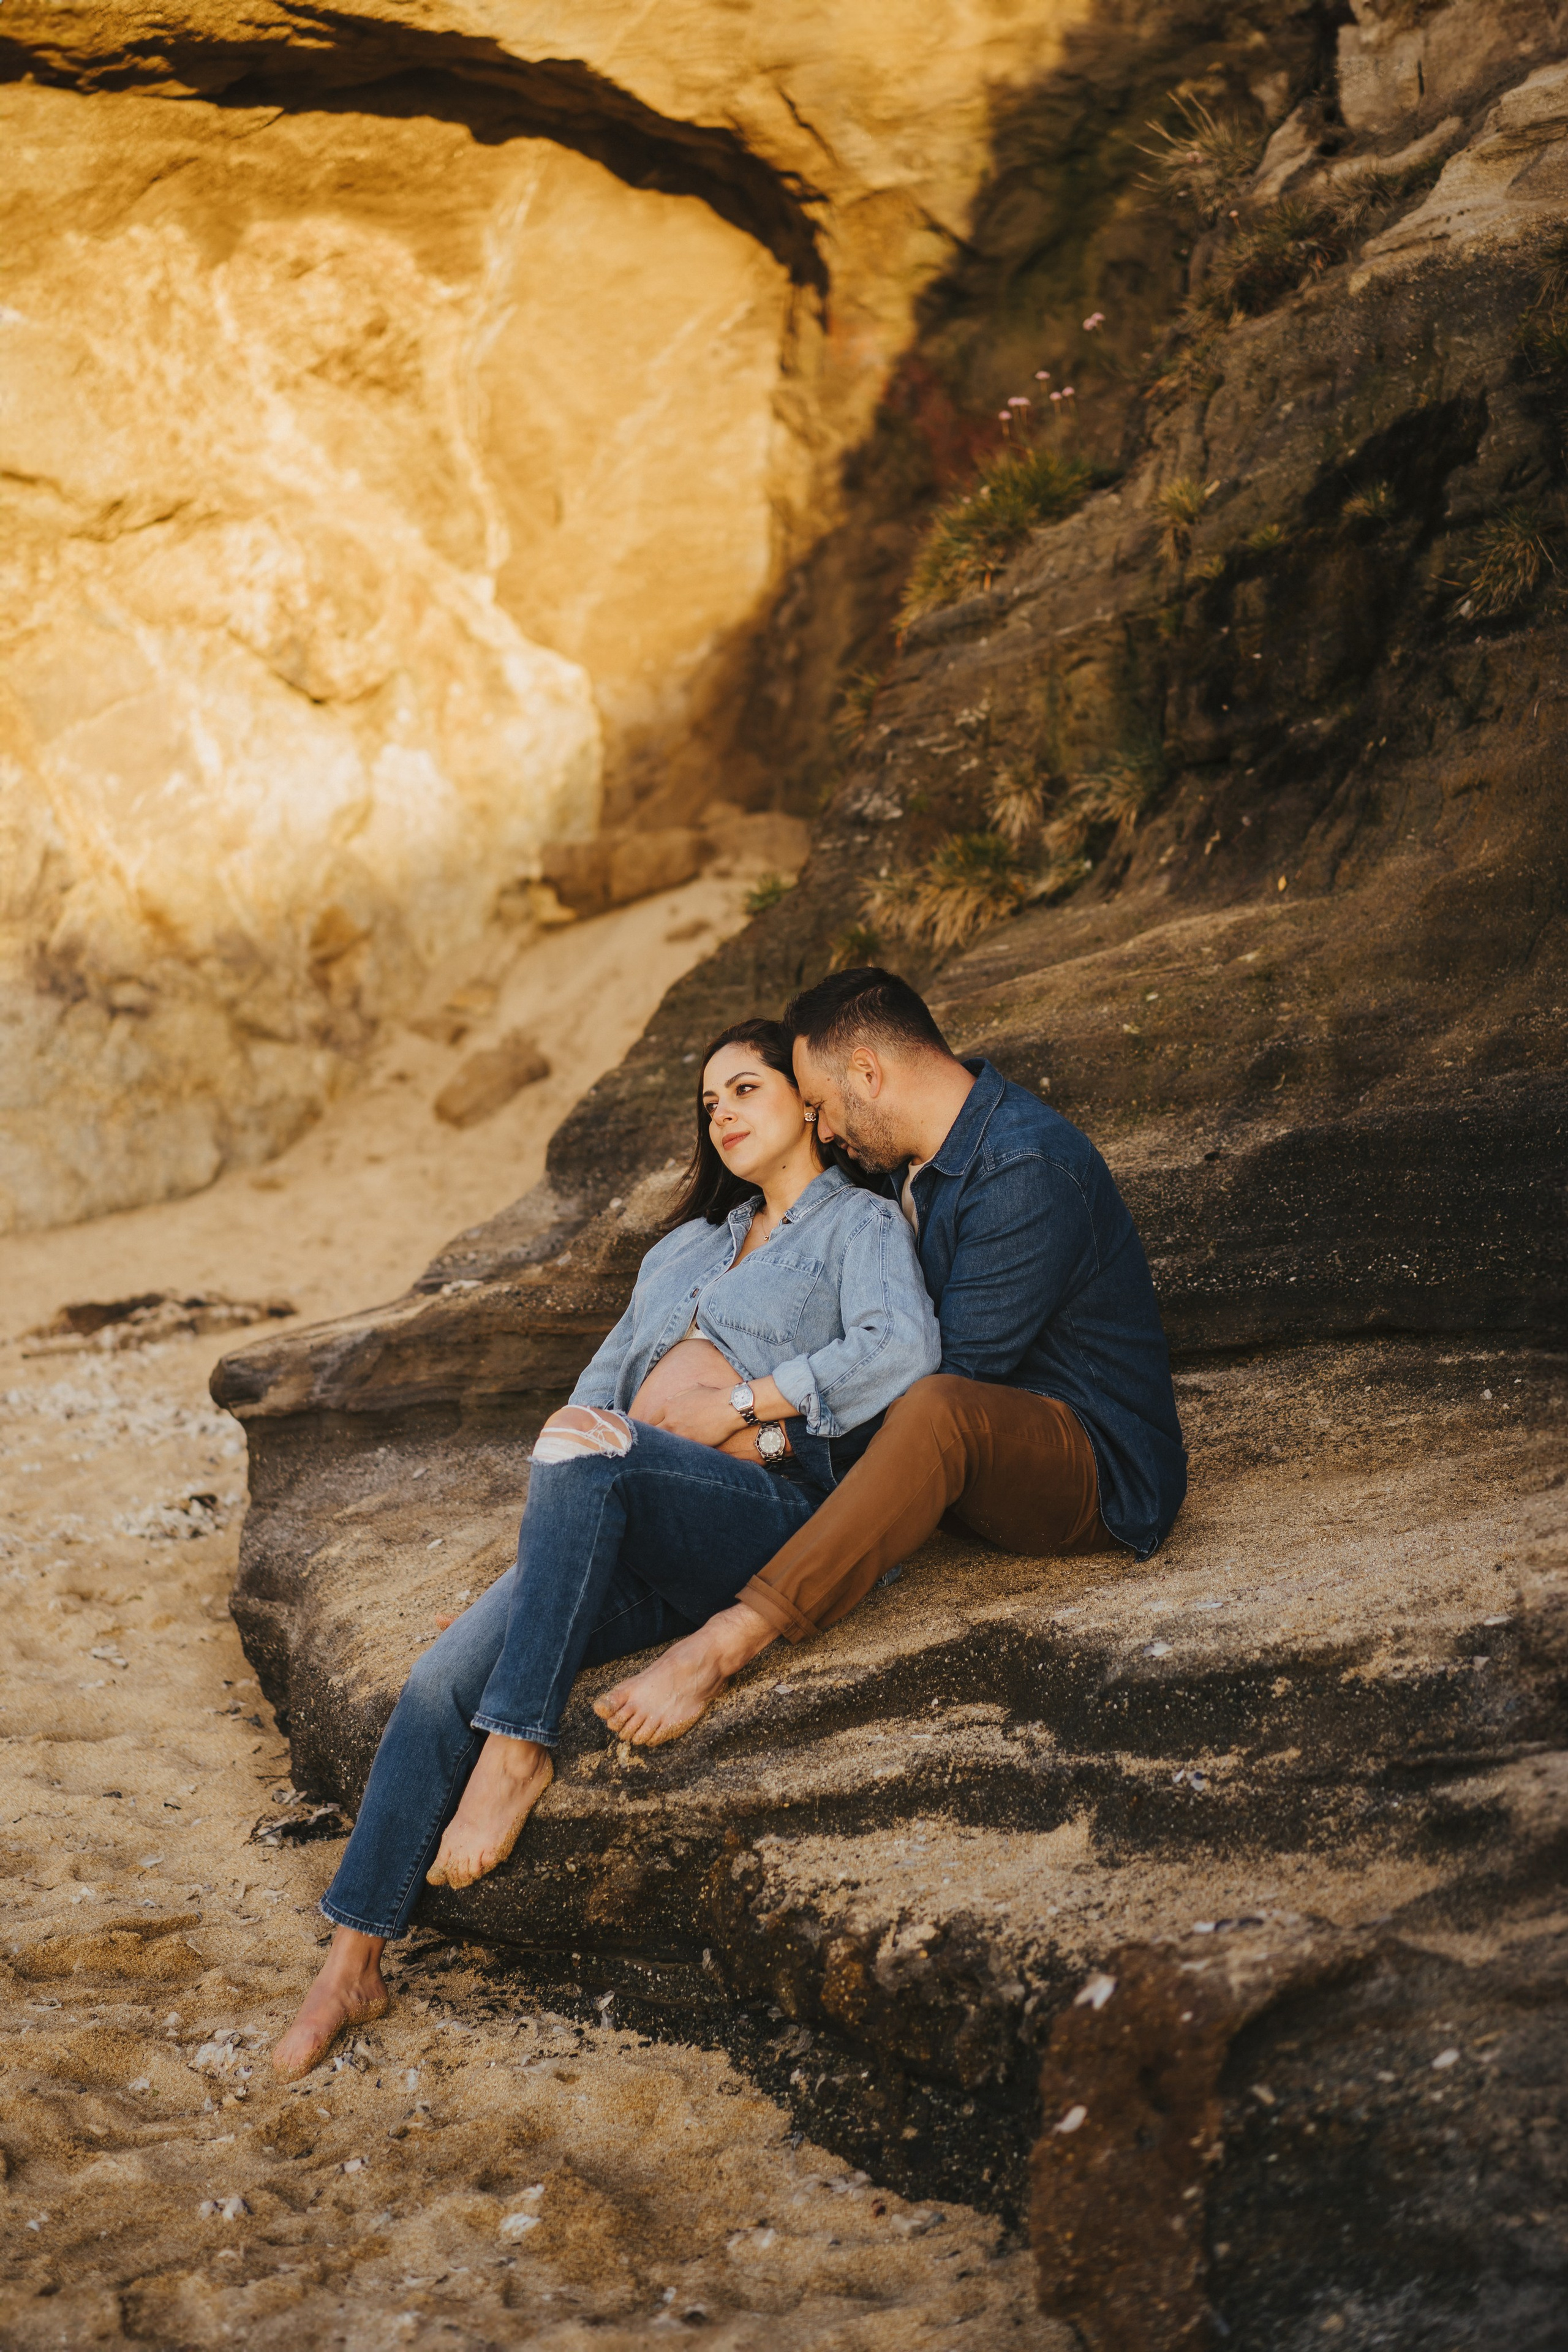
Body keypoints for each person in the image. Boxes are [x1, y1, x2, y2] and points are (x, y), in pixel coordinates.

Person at [272, 1017, 939, 2078]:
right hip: (620, 1510)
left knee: (585, 1465)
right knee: (440, 1680)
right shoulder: (682, 1249)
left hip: (763, 1518)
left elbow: (901, 1352)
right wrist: (537, 1558)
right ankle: (349, 1967)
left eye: (747, 1089)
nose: (721, 1112)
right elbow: (594, 1397)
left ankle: (520, 1747)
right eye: (709, 1101)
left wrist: (750, 1411)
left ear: (809, 1106)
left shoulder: (856, 1228)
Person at [595, 966, 1186, 1747]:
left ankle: (728, 1641)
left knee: (937, 1407)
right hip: (967, 1465)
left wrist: (766, 1433)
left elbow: (946, 1384)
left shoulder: (1023, 1170)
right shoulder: (917, 1167)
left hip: (1094, 1468)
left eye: (823, 1105)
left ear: (867, 1072)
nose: (825, 1131)